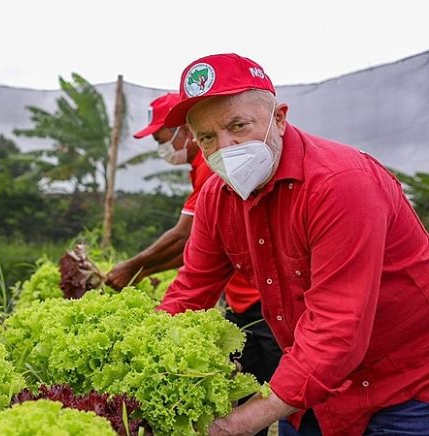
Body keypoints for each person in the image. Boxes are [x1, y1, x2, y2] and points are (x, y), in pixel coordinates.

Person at [157, 53, 429, 436]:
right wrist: (141, 360)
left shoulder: (340, 184)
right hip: (309, 387)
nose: (226, 146)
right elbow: (191, 290)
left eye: (238, 125)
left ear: (279, 119)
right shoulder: (217, 197)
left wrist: (237, 423)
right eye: (207, 137)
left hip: (401, 388)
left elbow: (338, 329)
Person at [107, 93, 282, 436]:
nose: (162, 149)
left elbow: (181, 236)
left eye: (161, 140)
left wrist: (132, 269)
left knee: (294, 403)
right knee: (246, 389)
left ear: (182, 132)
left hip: (266, 301)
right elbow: (198, 259)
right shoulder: (206, 168)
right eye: (208, 137)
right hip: (241, 300)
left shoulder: (214, 166)